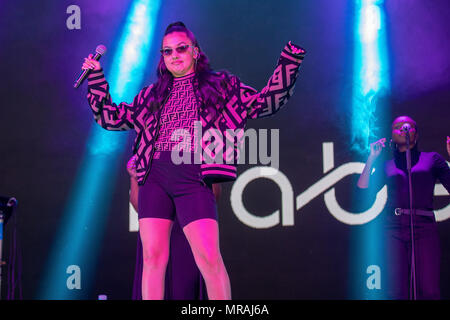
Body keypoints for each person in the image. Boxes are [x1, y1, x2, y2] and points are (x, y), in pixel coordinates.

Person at [82, 21, 306, 300]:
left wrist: (289, 62)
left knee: (209, 260)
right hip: (154, 175)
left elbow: (267, 102)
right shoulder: (151, 95)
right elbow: (110, 117)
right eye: (167, 51)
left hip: (194, 174)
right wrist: (96, 79)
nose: (174, 55)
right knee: (153, 258)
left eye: (181, 48)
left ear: (195, 52)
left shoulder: (222, 86)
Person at [357, 115, 450, 299]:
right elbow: (362, 193)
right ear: (392, 137)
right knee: (396, 291)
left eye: (408, 126)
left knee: (429, 290)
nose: (403, 128)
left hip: (424, 228)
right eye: (398, 126)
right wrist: (371, 158)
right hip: (393, 229)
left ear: (416, 134)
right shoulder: (387, 165)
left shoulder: (432, 159)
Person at [127, 154, 221, 300]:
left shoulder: (196, 146)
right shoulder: (148, 148)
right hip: (154, 230)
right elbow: (139, 206)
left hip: (186, 230)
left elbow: (213, 194)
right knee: (153, 267)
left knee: (187, 286)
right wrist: (134, 177)